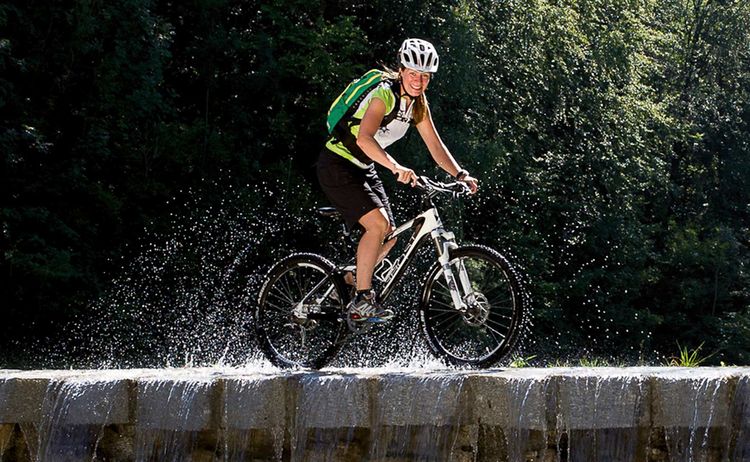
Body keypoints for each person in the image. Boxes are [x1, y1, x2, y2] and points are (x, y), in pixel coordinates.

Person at [316, 38, 478, 323]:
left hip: (364, 166)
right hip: (337, 164)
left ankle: (349, 280)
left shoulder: (418, 105)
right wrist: (395, 166)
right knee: (377, 225)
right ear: (401, 70)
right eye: (413, 74)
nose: (418, 81)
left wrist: (460, 174)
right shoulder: (384, 95)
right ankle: (363, 299)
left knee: (389, 233)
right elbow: (363, 138)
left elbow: (435, 146)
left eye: (425, 76)